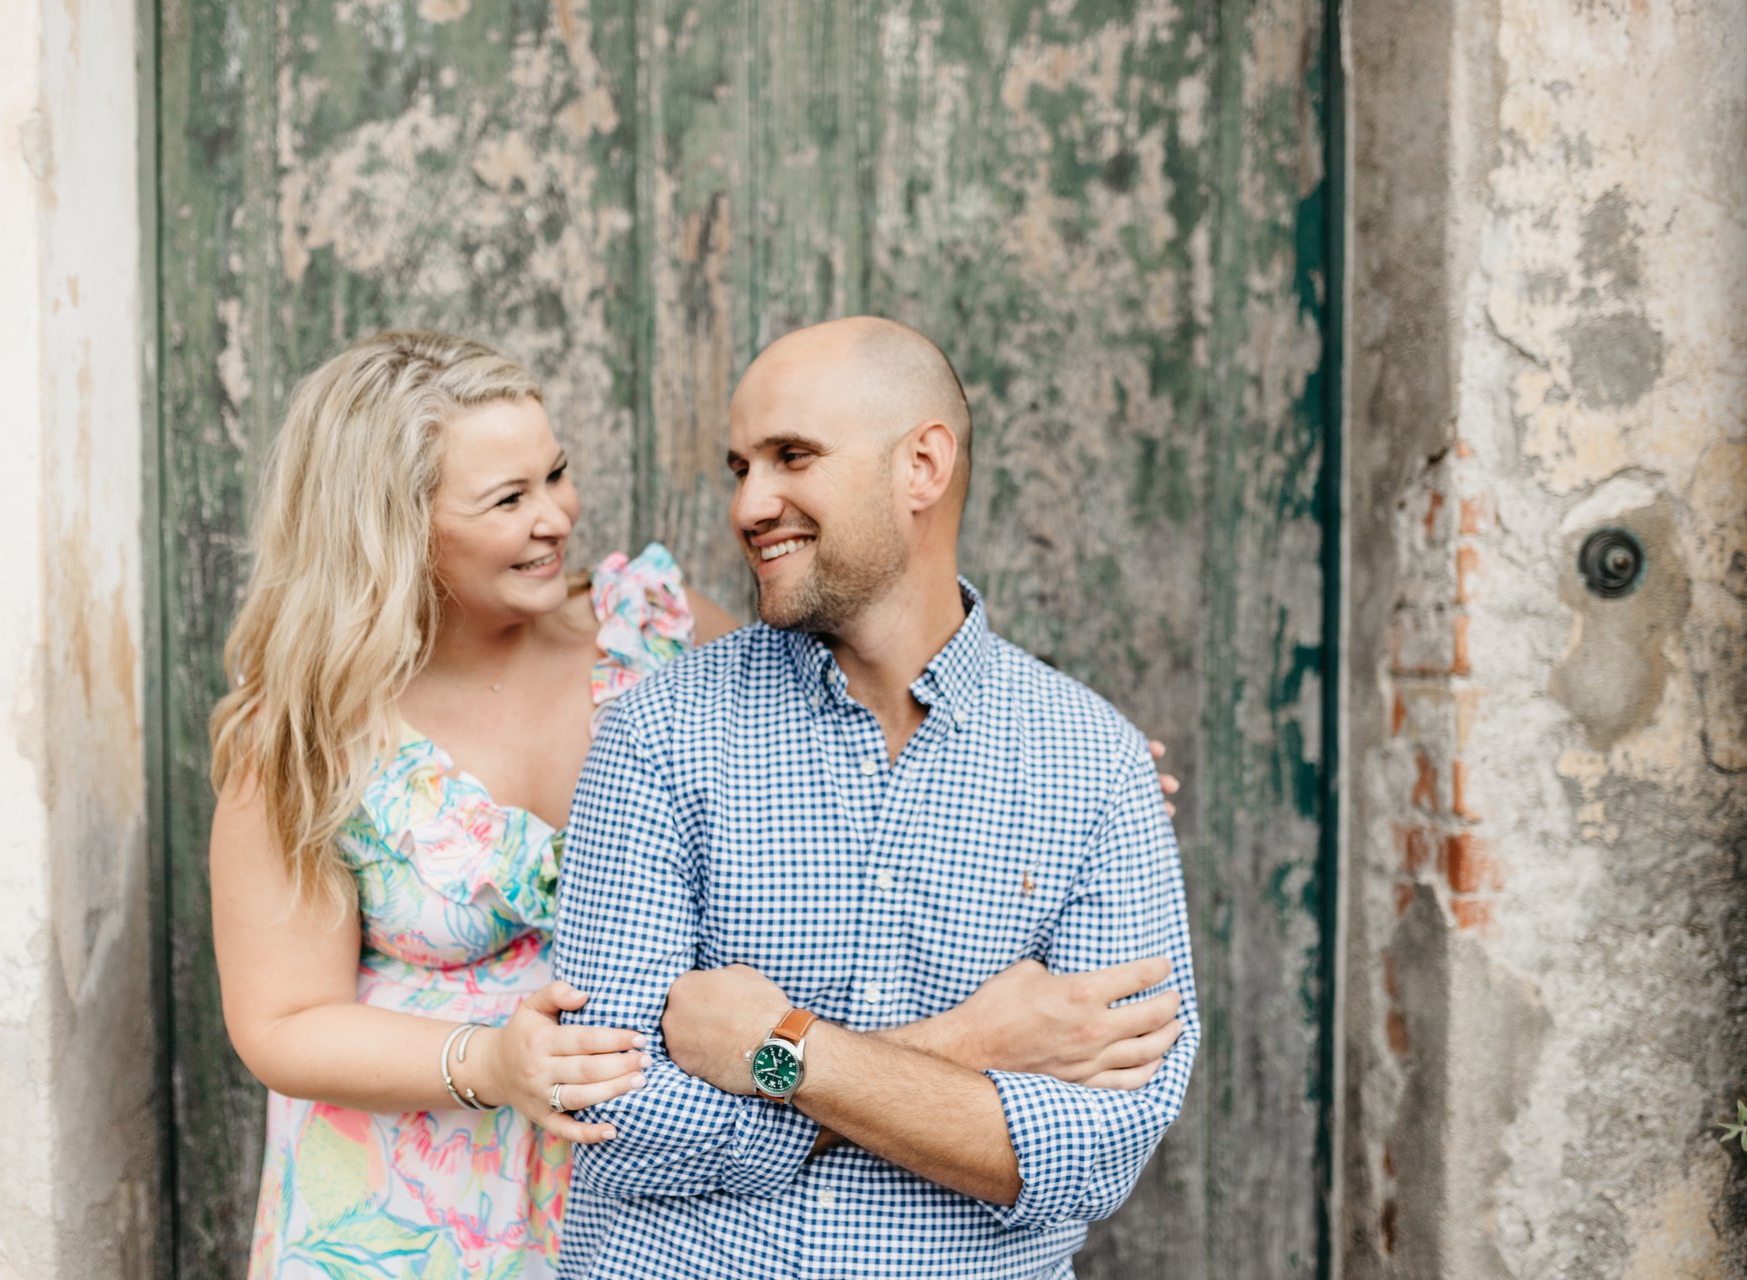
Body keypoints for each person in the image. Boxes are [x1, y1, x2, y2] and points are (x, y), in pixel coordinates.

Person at [207, 330, 1185, 1278]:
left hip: (646, 1188)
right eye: (509, 497)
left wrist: (1068, 757)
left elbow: (861, 692)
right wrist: (956, 1048)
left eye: (556, 474)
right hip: (416, 1205)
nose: (557, 515)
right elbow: (282, 1020)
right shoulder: (308, 730)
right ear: (391, 527)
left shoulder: (648, 636)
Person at [554, 316, 1200, 1279]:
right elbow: (611, 1116)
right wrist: (968, 1047)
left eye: (792, 457)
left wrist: (781, 1053)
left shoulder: (1095, 765)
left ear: (922, 467)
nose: (749, 505)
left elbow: (1095, 1154)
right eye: (740, 468)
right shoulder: (658, 735)